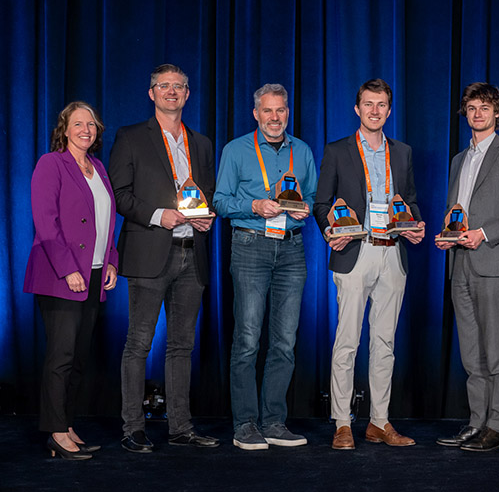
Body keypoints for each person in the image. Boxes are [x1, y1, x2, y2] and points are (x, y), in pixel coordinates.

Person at [109, 64, 218, 452]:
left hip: (194, 253)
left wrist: (208, 216)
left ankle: (180, 428)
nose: (172, 91)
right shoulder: (131, 137)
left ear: (187, 94)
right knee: (138, 344)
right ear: (151, 92)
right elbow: (118, 194)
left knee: (181, 347)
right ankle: (133, 428)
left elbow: (206, 194)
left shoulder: (201, 143)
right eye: (164, 86)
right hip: (151, 251)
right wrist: (159, 215)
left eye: (179, 86)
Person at [313, 78, 425, 450]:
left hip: (393, 253)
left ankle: (379, 422)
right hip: (354, 253)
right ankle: (342, 423)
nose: (375, 111)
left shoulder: (403, 152)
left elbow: (409, 200)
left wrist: (414, 226)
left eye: (381, 105)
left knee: (385, 343)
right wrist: (332, 230)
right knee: (347, 342)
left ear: (389, 111)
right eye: (368, 104)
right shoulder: (337, 150)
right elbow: (320, 204)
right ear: (357, 109)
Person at [435, 82, 499, 452]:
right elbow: (457, 213)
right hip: (459, 261)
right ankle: (477, 422)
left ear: (498, 114)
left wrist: (483, 233)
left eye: (485, 108)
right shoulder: (458, 160)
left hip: (492, 261)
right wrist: (448, 234)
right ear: (466, 113)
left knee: (495, 349)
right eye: (472, 108)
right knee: (470, 352)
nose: (478, 114)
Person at [214, 83, 317, 450]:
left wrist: (306, 207)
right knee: (246, 340)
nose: (275, 118)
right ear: (256, 114)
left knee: (285, 342)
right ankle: (245, 425)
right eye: (268, 111)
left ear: (287, 112)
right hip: (250, 246)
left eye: (281, 111)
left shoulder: (301, 151)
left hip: (292, 249)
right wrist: (255, 206)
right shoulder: (236, 149)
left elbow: (314, 198)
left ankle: (274, 421)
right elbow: (221, 202)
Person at [24, 102, 119, 460]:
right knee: (61, 356)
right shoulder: (51, 164)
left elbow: (106, 221)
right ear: (65, 129)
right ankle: (54, 432)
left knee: (79, 358)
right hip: (60, 275)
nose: (86, 130)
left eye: (91, 124)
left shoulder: (97, 167)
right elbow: (46, 224)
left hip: (94, 276)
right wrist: (68, 269)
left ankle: (67, 423)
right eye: (78, 124)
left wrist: (110, 261)